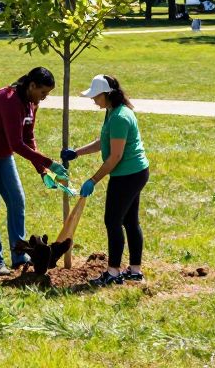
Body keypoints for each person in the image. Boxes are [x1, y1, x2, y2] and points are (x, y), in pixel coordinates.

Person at [0, 67, 69, 275]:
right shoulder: (8, 100)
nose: (44, 98)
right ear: (31, 86)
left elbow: (28, 137)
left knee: (17, 200)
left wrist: (42, 171)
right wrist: (50, 163)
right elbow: (17, 144)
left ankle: (19, 255)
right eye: (43, 93)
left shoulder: (31, 103)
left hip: (3, 152)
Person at [64, 74, 151, 286]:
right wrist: (76, 153)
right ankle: (135, 271)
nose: (93, 100)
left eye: (96, 96)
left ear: (107, 94)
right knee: (129, 221)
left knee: (113, 221)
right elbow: (103, 142)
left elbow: (115, 156)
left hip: (128, 175)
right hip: (133, 172)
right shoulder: (112, 112)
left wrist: (93, 180)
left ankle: (113, 273)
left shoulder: (121, 116)